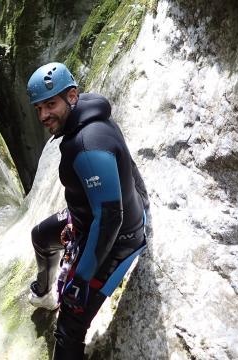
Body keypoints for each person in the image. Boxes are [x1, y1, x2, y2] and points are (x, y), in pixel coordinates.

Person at [25, 62, 149, 359]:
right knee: (40, 236)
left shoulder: (86, 145)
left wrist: (80, 279)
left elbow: (110, 218)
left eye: (50, 105)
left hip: (117, 238)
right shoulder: (91, 115)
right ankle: (44, 294)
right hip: (91, 220)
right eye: (39, 108)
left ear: (72, 96)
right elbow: (127, 167)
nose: (43, 115)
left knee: (69, 327)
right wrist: (142, 199)